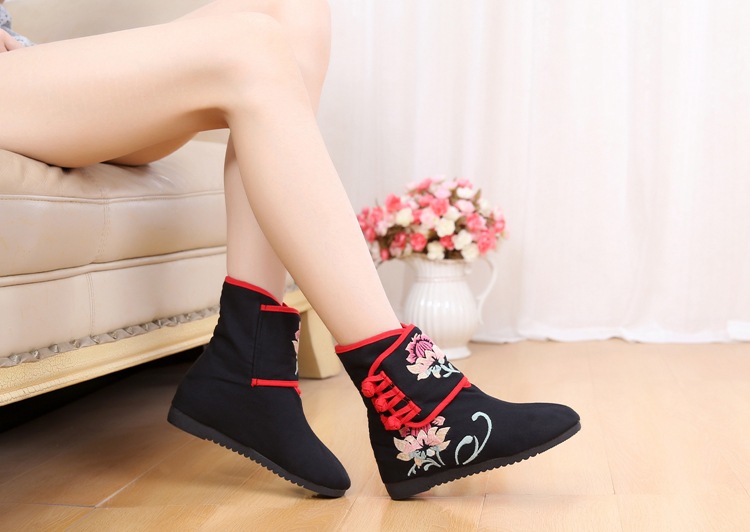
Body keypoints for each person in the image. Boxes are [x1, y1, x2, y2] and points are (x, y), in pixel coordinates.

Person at [0, 0, 580, 499]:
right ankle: (414, 399)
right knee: (247, 45)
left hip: (26, 70)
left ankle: (252, 366)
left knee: (295, 9)